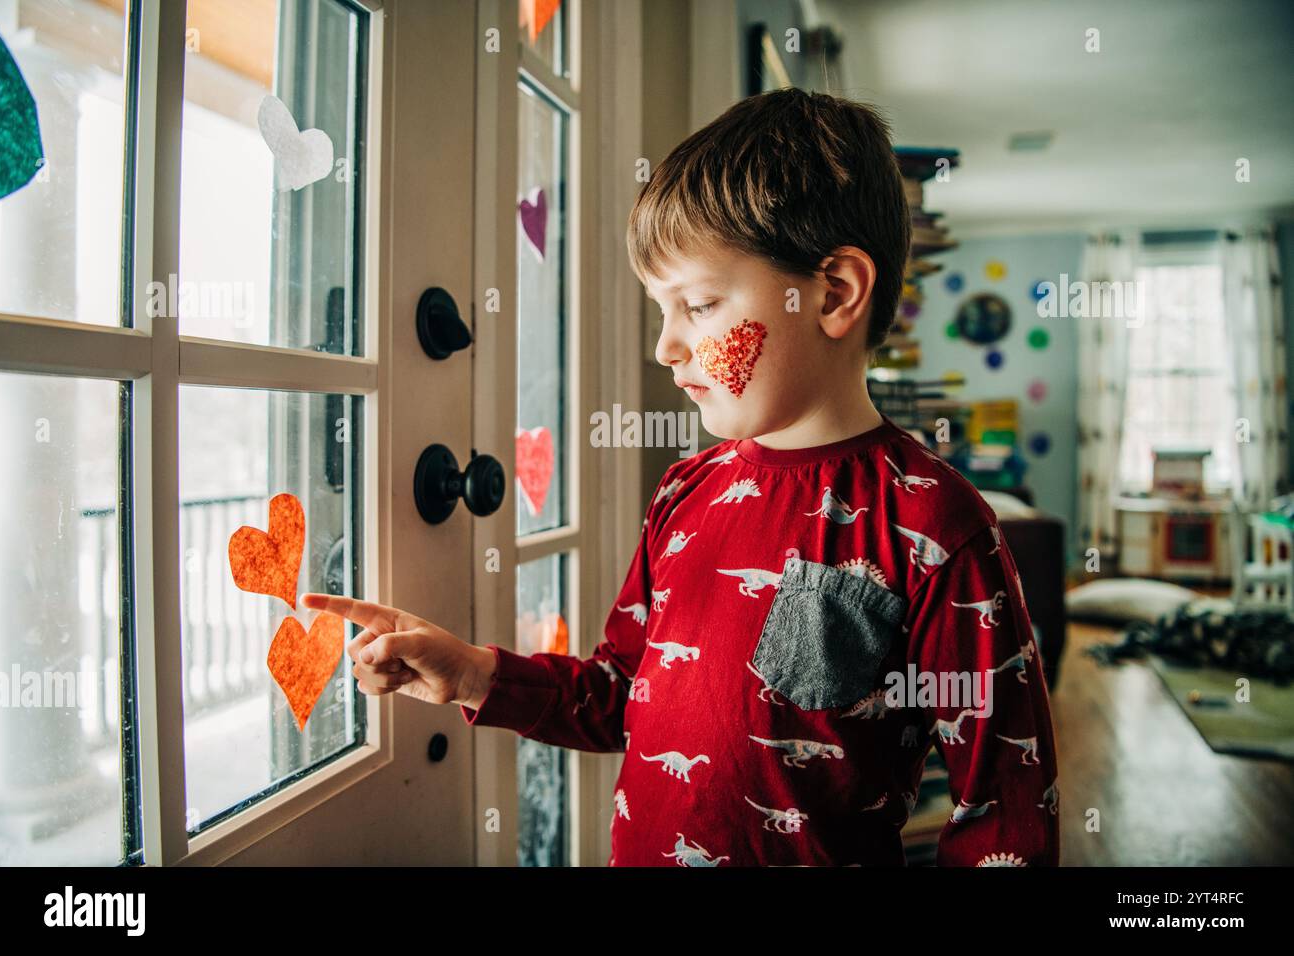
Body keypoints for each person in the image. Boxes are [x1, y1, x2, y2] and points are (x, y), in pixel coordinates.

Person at [303, 87, 1059, 867]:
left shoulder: (936, 525)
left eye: (698, 304)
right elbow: (620, 693)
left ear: (833, 293)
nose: (667, 346)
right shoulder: (684, 492)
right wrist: (474, 674)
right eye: (661, 310)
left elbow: (1007, 807)